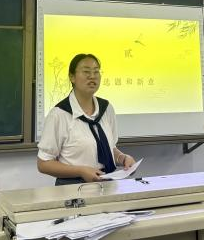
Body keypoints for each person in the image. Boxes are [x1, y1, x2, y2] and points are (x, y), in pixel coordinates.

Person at [37, 53, 137, 185]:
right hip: (73, 188)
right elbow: (43, 163)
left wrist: (123, 158)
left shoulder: (106, 108)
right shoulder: (59, 114)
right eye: (86, 72)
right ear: (72, 77)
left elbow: (108, 148)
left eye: (96, 72)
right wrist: (80, 171)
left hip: (108, 184)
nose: (92, 76)